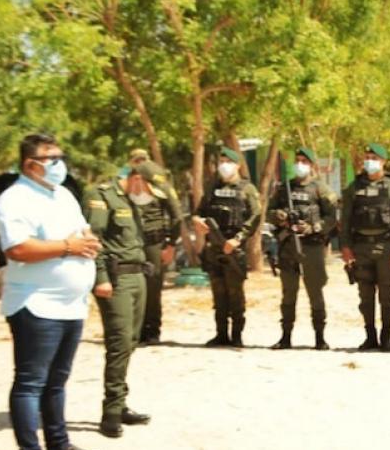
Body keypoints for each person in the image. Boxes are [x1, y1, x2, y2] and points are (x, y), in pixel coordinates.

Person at [0, 133, 102, 450]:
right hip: (35, 304)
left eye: (60, 156)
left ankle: (58, 442)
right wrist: (69, 247)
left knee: (58, 380)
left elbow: (80, 233)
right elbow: (18, 249)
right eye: (51, 158)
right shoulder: (15, 200)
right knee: (31, 381)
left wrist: (86, 244)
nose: (59, 164)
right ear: (31, 164)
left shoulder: (63, 195)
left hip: (71, 304)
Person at [84, 161, 161, 437]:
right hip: (116, 281)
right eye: (150, 188)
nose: (151, 195)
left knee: (130, 341)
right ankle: (111, 413)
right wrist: (100, 276)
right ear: (137, 178)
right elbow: (94, 238)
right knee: (118, 342)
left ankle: (121, 402)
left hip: (137, 277)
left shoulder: (131, 200)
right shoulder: (102, 196)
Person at [339, 143, 390, 352]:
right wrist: (345, 246)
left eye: (374, 158)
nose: (369, 161)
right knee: (365, 295)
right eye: (367, 157)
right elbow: (345, 219)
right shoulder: (355, 187)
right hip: (361, 247)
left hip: (386, 247)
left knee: (387, 295)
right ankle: (370, 335)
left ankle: (386, 335)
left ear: (383, 162)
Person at [268, 148, 339, 350]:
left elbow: (331, 218)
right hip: (288, 245)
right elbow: (269, 213)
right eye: (297, 160)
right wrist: (280, 216)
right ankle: (285, 336)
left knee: (315, 291)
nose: (299, 164)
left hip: (311, 246)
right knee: (288, 292)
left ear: (312, 166)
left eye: (304, 161)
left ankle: (320, 337)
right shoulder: (284, 188)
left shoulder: (321, 189)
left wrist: (313, 227)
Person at [192, 147, 261, 348]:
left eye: (228, 161)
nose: (224, 165)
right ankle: (221, 334)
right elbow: (198, 212)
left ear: (237, 165)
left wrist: (238, 239)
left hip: (234, 247)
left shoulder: (247, 189)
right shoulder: (212, 187)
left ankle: (237, 335)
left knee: (235, 294)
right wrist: (198, 222)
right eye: (221, 160)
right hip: (214, 247)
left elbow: (255, 216)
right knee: (218, 293)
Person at [128, 149, 182, 345]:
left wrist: (170, 244)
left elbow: (176, 216)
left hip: (148, 240)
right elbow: (176, 216)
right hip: (146, 241)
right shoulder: (158, 177)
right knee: (146, 286)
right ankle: (146, 330)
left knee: (147, 286)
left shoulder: (150, 176)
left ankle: (146, 330)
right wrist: (171, 243)